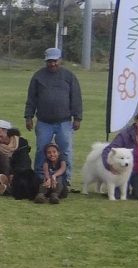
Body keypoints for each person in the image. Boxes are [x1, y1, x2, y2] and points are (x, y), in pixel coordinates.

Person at [25, 47, 82, 189]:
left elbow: (76, 98)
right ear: (46, 61)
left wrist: (77, 117)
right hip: (44, 121)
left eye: (55, 61)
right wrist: (28, 116)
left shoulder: (69, 76)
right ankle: (40, 178)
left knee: (65, 150)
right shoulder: (38, 76)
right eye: (50, 61)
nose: (52, 64)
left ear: (60, 60)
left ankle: (66, 179)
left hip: (64, 121)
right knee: (41, 150)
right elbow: (31, 98)